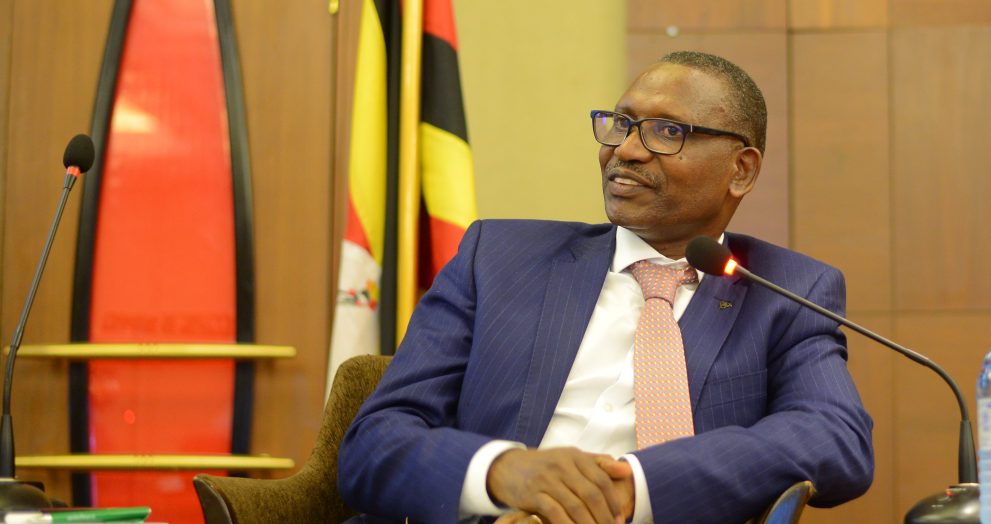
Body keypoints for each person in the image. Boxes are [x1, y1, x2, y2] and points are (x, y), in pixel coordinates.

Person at [337, 50, 873, 524]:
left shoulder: (785, 291)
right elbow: (372, 446)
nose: (626, 150)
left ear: (741, 169)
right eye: (621, 124)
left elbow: (836, 437)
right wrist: (504, 473)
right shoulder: (497, 258)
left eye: (667, 132)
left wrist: (634, 487)